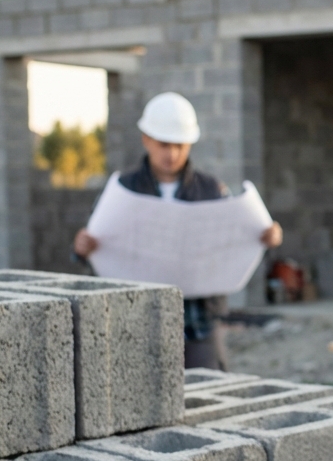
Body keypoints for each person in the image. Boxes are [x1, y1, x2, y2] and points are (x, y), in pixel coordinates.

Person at [73, 92, 282, 370]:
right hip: (137, 322)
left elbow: (236, 237)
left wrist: (267, 237)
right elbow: (93, 247)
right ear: (146, 139)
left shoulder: (211, 189)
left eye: (179, 146)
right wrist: (83, 248)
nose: (171, 154)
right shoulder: (122, 190)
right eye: (163, 144)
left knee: (206, 390)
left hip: (199, 323)